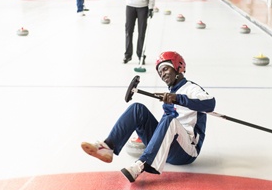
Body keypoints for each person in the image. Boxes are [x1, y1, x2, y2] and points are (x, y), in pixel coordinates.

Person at [81, 51, 215, 183]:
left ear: (178, 67)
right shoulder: (170, 93)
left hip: (186, 152)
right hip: (168, 146)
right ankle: (108, 147)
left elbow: (210, 103)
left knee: (169, 120)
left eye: (165, 69)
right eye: (160, 72)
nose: (162, 74)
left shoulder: (191, 89)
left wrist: (178, 98)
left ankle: (141, 164)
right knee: (137, 109)